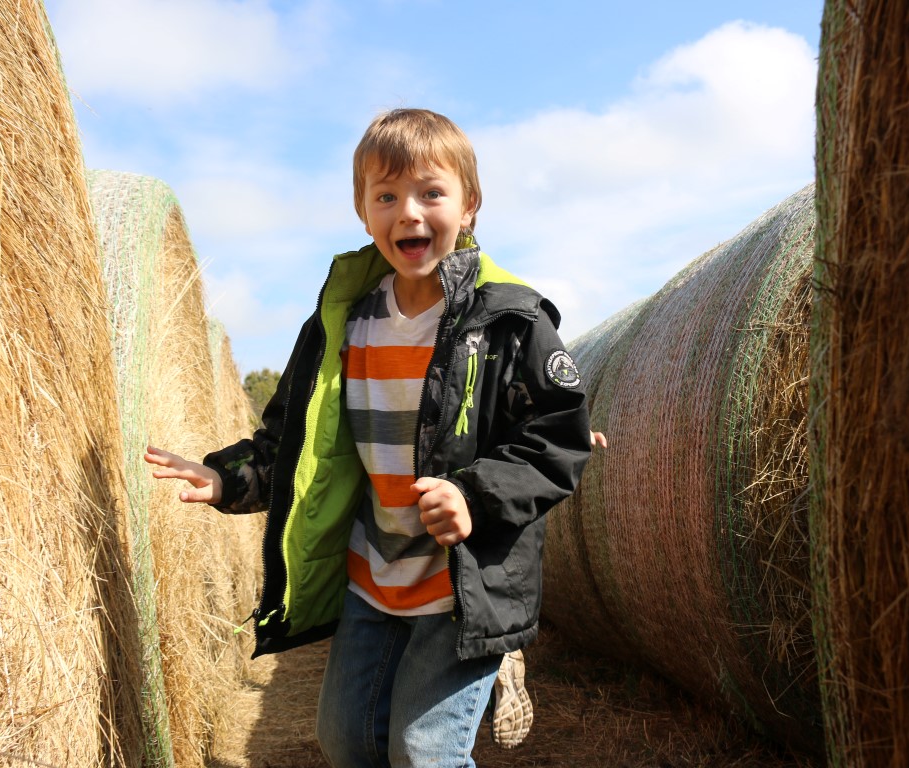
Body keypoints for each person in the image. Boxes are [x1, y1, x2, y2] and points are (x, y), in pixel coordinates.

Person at [144, 107, 593, 767]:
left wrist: (475, 495)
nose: (408, 212)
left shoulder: (510, 319)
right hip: (372, 579)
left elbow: (558, 435)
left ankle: (498, 660)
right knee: (347, 742)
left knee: (424, 752)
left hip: (463, 585)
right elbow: (296, 442)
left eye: (431, 193)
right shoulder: (343, 324)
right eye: (386, 196)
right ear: (363, 213)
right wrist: (225, 478)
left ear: (469, 205)